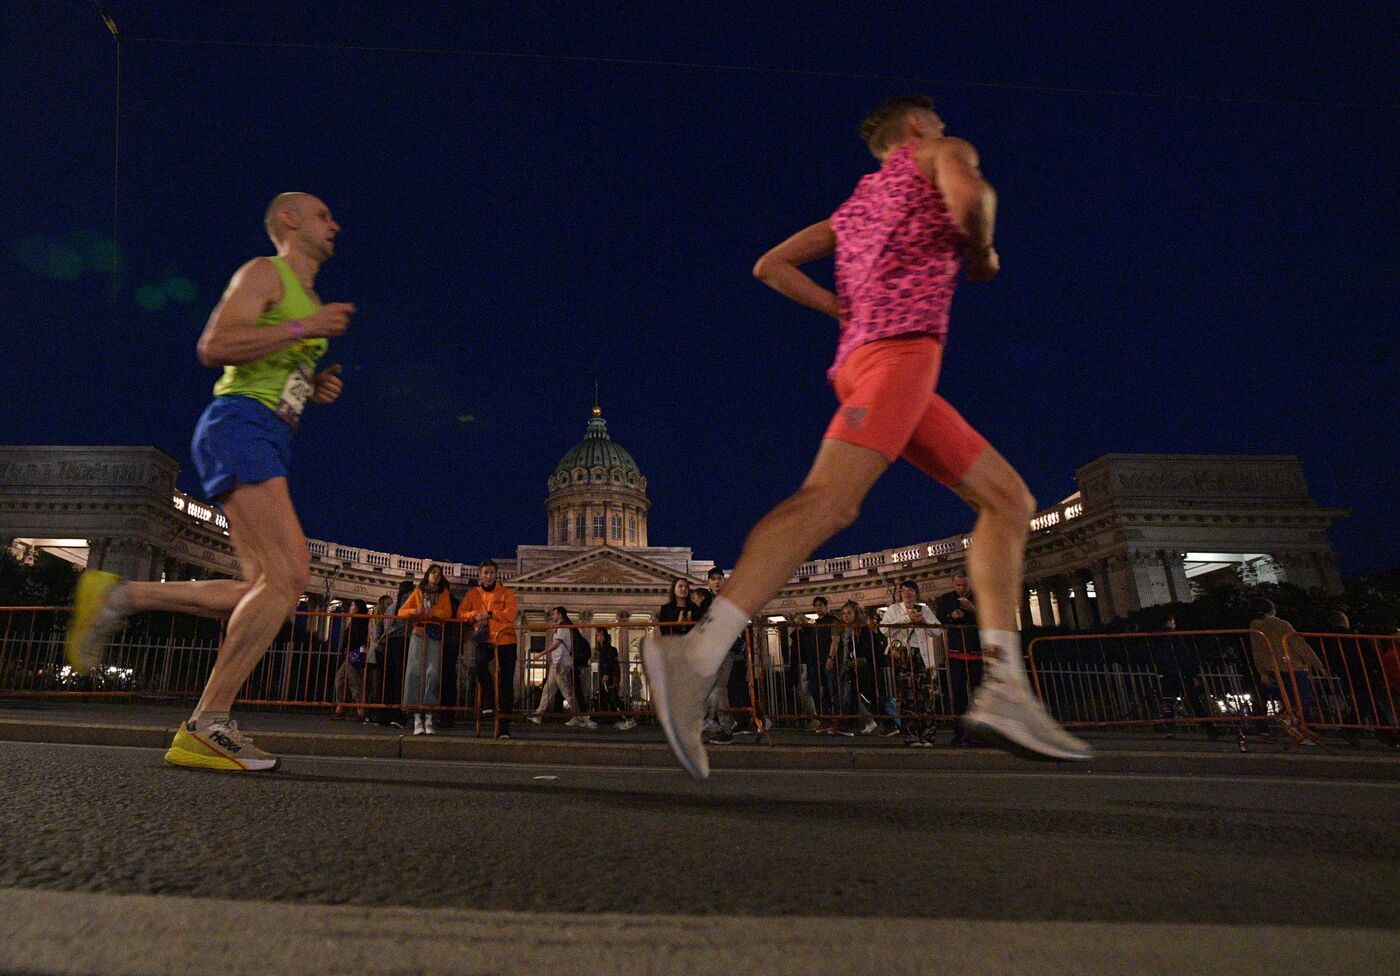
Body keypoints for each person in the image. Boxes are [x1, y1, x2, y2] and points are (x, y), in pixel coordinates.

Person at [642, 95, 1089, 780]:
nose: (945, 129)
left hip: (867, 364)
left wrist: (837, 306)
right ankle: (697, 655)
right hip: (900, 354)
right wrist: (982, 252)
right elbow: (975, 198)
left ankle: (1005, 683)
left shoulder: (851, 212)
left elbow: (769, 266)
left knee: (1008, 500)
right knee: (830, 501)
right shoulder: (940, 153)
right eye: (937, 121)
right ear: (915, 127)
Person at [63, 191, 353, 772]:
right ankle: (208, 722)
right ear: (290, 220)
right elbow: (216, 345)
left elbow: (274, 363)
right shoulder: (265, 273)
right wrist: (305, 326)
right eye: (323, 215)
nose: (335, 225)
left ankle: (117, 595)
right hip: (238, 425)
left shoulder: (307, 296)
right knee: (292, 573)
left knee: (260, 588)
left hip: (264, 432)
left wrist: (311, 382)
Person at [457, 559, 518, 738]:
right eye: (486, 573)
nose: (489, 576)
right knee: (480, 666)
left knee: (506, 682)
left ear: (496, 574)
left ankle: (504, 727)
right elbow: (461, 613)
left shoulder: (506, 593)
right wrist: (475, 615)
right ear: (480, 575)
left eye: (491, 573)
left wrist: (490, 614)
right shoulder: (473, 594)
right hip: (485, 640)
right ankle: (490, 699)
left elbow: (511, 615)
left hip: (506, 640)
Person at [398, 564, 453, 735]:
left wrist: (433, 613)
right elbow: (401, 612)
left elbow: (448, 613)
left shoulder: (444, 594)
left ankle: (428, 715)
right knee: (414, 673)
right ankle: (416, 716)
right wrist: (415, 610)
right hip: (419, 633)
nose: (436, 576)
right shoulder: (417, 592)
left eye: (439, 574)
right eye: (433, 573)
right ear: (427, 575)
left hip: (435, 635)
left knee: (432, 673)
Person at [529, 607, 596, 729]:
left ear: (560, 615)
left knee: (567, 692)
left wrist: (541, 653)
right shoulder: (561, 628)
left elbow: (556, 645)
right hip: (556, 664)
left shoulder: (563, 628)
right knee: (547, 690)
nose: (552, 616)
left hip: (561, 664)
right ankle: (538, 715)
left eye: (554, 614)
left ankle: (578, 717)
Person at [937, 574, 984, 746]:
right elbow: (940, 618)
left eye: (964, 585)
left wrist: (974, 610)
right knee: (958, 696)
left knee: (978, 695)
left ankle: (979, 733)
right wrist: (951, 616)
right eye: (958, 585)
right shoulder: (946, 599)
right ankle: (960, 734)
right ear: (953, 584)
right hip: (956, 652)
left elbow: (988, 618)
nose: (961, 588)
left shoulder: (979, 597)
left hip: (976, 651)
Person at [333, 598, 369, 719]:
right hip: (349, 655)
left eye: (353, 605)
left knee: (354, 682)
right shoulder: (354, 621)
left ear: (357, 608)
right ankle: (341, 706)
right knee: (340, 679)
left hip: (353, 655)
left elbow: (358, 638)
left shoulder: (360, 622)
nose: (350, 607)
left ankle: (359, 710)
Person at [362, 593, 394, 723]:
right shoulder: (378, 619)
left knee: (375, 686)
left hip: (374, 655)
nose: (390, 606)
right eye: (388, 604)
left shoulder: (377, 618)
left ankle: (370, 713)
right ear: (381, 605)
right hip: (376, 655)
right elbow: (376, 637)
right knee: (376, 686)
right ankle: (373, 714)